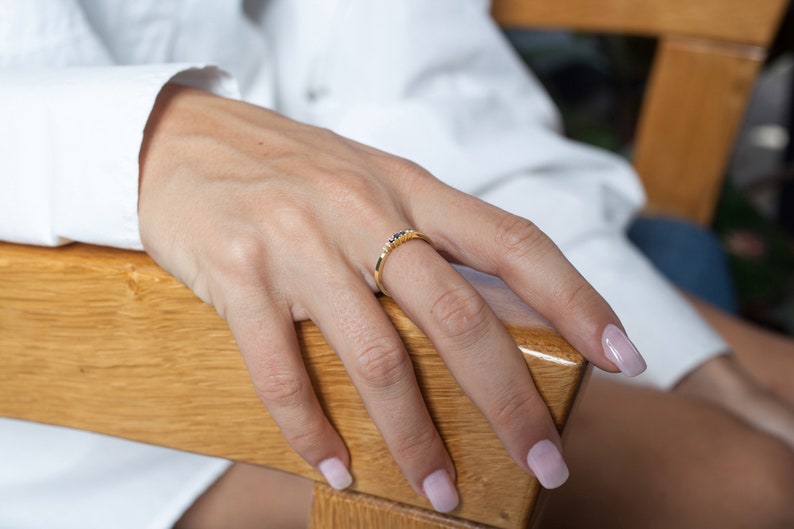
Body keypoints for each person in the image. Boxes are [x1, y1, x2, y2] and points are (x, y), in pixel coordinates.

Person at [0, 1, 792, 528]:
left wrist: (690, 361)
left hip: (340, 214)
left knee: (753, 394)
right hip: (57, 408)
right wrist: (141, 143)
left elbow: (412, 87)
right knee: (756, 486)